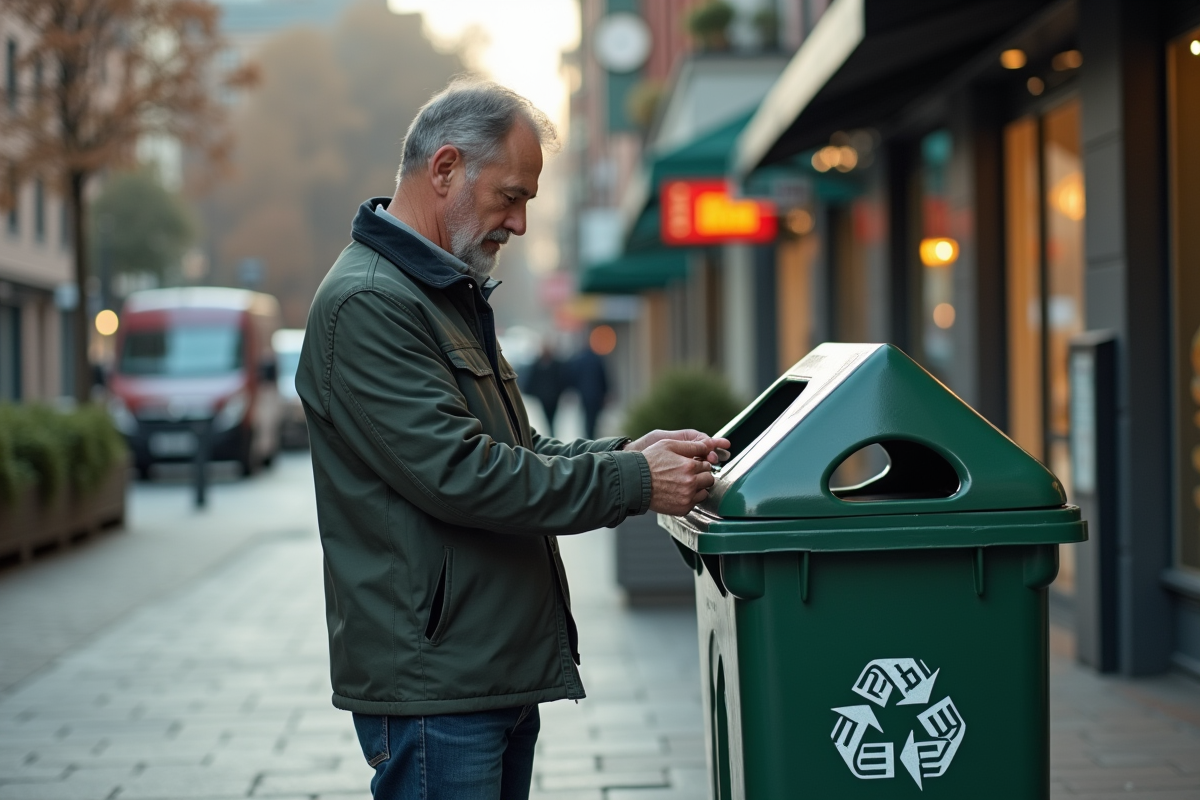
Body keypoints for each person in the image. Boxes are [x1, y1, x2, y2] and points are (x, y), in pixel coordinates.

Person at [294, 79, 729, 800]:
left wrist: (627, 455)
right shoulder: (370, 303)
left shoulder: (439, 293)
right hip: (440, 684)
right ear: (444, 169)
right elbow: (464, 475)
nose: (520, 223)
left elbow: (518, 450)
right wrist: (635, 483)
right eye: (511, 195)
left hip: (479, 667)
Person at [519, 342, 565, 436]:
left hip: (553, 396)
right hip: (544, 396)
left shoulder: (556, 364)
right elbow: (532, 379)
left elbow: (561, 379)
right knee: (547, 418)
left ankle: (552, 434)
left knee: (552, 418)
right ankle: (551, 434)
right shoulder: (538, 364)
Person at [569, 340, 609, 439]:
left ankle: (588, 435)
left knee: (587, 416)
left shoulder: (579, 360)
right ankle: (591, 435)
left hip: (584, 394)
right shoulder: (597, 359)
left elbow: (573, 377)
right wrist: (606, 392)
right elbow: (603, 377)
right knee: (593, 417)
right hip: (596, 394)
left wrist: (574, 391)